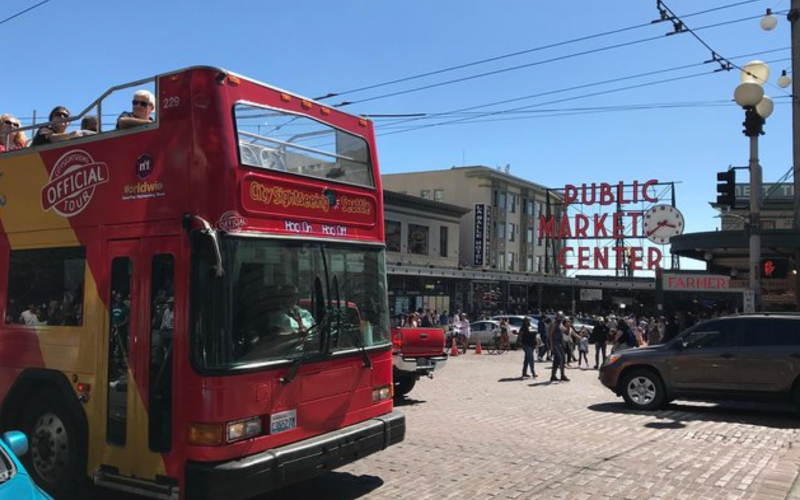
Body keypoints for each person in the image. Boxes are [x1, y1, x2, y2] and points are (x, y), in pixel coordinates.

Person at [549, 313, 569, 382]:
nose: (561, 318)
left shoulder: (560, 324)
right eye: (559, 317)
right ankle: (559, 375)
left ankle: (557, 375)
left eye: (562, 317)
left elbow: (566, 332)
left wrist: (568, 325)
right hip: (555, 343)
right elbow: (550, 335)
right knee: (560, 358)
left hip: (560, 343)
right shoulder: (553, 324)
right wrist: (551, 346)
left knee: (561, 358)